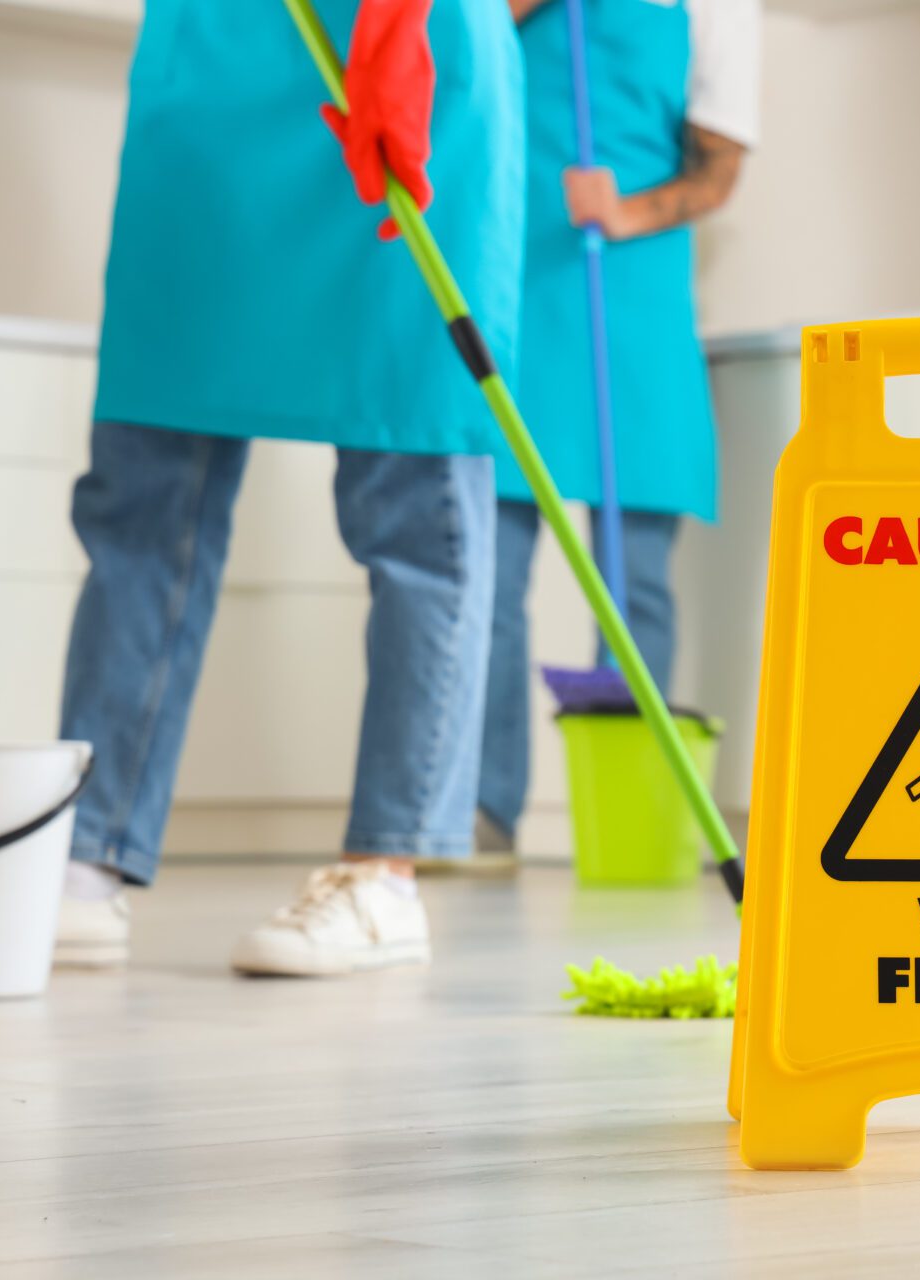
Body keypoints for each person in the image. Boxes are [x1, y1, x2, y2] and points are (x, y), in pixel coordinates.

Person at [51, 0, 525, 974]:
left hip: (398, 52)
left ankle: (385, 872)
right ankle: (82, 857)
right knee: (143, 482)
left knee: (415, 483)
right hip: (216, 67)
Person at [476, 0, 760, 852]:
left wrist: (627, 211)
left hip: (626, 292)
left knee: (632, 580)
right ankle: (481, 814)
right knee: (485, 573)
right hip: (508, 283)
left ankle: (630, 826)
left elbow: (718, 169)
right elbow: (465, 39)